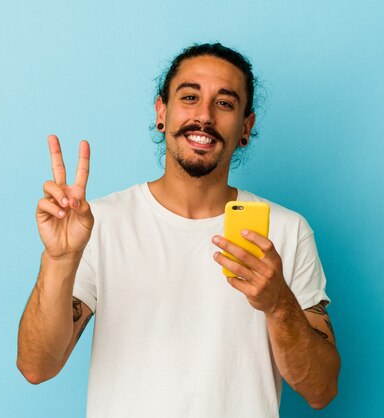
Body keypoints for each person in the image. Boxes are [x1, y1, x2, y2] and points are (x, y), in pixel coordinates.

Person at [17, 42, 340, 417]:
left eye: (224, 103)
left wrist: (278, 303)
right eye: (189, 97)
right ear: (162, 112)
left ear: (245, 127)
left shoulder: (287, 231)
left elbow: (321, 390)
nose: (204, 116)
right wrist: (60, 259)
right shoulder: (98, 224)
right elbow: (36, 366)